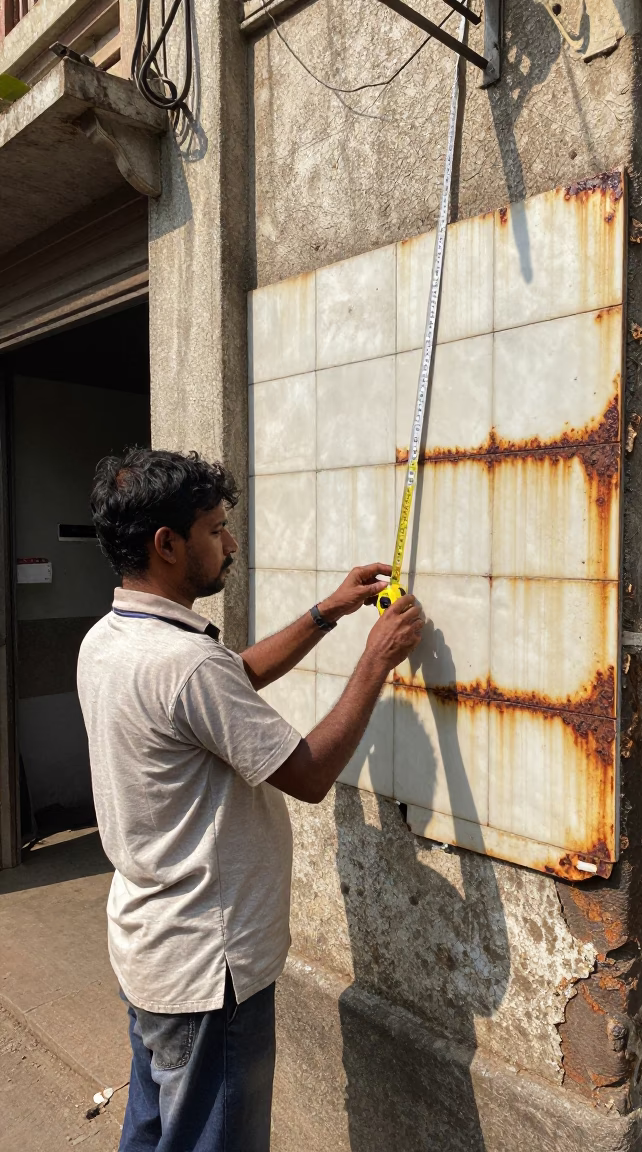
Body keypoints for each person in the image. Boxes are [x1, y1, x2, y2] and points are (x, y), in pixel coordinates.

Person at [77, 447, 424, 1152]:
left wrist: (325, 613)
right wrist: (375, 659)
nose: (230, 543)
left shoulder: (110, 640)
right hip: (210, 973)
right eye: (215, 529)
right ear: (167, 545)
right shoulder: (183, 666)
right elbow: (309, 773)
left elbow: (227, 683)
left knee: (152, 1129)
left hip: (152, 953)